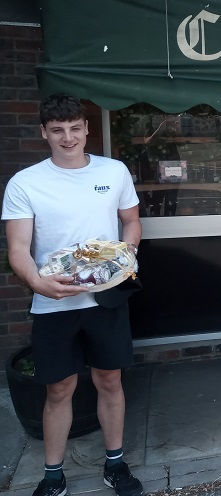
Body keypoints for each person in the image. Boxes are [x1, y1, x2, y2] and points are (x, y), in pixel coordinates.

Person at [2, 94, 144, 496]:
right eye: (58, 130)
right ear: (44, 133)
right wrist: (37, 281)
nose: (68, 138)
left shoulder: (113, 172)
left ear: (86, 130)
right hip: (54, 301)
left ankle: (115, 465)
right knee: (58, 389)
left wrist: (126, 253)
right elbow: (17, 248)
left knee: (110, 382)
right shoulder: (25, 183)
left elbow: (131, 223)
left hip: (106, 297)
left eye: (75, 129)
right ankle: (53, 475)